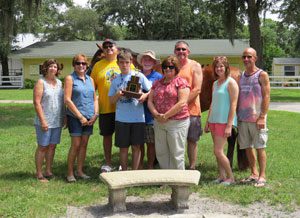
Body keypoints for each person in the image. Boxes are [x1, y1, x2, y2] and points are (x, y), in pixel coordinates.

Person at [91, 39, 135, 172]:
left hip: (124, 108)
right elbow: (92, 88)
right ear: (103, 50)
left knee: (125, 137)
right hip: (106, 107)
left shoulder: (126, 62)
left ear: (116, 48)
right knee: (107, 136)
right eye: (106, 46)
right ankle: (108, 163)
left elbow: (134, 81)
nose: (109, 48)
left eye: (111, 45)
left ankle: (124, 163)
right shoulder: (98, 66)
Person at [108, 50, 151, 171]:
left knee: (136, 147)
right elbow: (111, 100)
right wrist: (117, 95)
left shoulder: (139, 76)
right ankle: (125, 173)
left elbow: (151, 89)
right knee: (123, 148)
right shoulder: (115, 80)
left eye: (127, 62)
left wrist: (144, 96)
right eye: (121, 62)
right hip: (122, 119)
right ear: (117, 63)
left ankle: (135, 173)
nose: (124, 65)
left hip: (138, 118)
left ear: (131, 62)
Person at [148, 55, 190, 170]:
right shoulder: (157, 83)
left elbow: (182, 102)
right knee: (161, 153)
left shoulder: (181, 82)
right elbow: (150, 101)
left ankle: (179, 182)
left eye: (171, 67)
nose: (167, 69)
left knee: (176, 153)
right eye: (165, 67)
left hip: (177, 122)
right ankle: (166, 180)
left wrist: (166, 116)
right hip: (159, 122)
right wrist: (156, 115)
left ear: (176, 68)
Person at [238, 47, 270, 187]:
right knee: (247, 147)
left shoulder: (261, 75)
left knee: (260, 147)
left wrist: (262, 116)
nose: (246, 59)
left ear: (255, 58)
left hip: (257, 118)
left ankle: (262, 176)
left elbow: (267, 96)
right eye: (244, 57)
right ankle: (253, 173)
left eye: (249, 56)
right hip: (243, 118)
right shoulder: (241, 76)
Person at [204, 56, 239, 185]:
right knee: (218, 151)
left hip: (224, 122)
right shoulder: (215, 83)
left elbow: (234, 105)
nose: (219, 69)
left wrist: (230, 125)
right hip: (213, 120)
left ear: (226, 68)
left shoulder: (231, 83)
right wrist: (207, 121)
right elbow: (212, 104)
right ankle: (221, 176)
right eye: (217, 67)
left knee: (218, 151)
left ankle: (231, 178)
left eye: (221, 66)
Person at [64, 54, 98, 182]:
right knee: (76, 145)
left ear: (87, 65)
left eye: (83, 63)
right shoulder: (70, 79)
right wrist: (80, 117)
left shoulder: (90, 79)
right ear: (74, 65)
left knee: (84, 144)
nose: (81, 65)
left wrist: (96, 114)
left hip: (90, 117)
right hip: (75, 117)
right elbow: (67, 99)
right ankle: (70, 173)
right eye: (78, 63)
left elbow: (95, 98)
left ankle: (79, 171)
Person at [33, 59, 64, 182]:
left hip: (57, 120)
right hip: (44, 121)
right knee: (43, 147)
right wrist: (43, 121)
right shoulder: (41, 82)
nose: (53, 69)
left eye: (55, 67)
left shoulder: (60, 83)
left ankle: (48, 170)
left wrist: (64, 116)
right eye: (50, 66)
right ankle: (39, 173)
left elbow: (62, 102)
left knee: (52, 147)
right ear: (45, 68)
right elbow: (37, 103)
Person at [174, 40, 203, 170]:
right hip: (174, 111)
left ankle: (191, 167)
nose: (181, 52)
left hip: (192, 110)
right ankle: (177, 167)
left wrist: (182, 104)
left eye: (183, 49)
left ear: (188, 52)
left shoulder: (195, 65)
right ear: (175, 51)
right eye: (178, 49)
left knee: (191, 140)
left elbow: (197, 89)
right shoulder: (172, 66)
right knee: (176, 142)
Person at [136, 50, 163, 169]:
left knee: (151, 143)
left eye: (150, 60)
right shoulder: (135, 75)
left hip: (151, 115)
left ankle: (150, 166)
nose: (147, 62)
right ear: (141, 62)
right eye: (145, 59)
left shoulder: (159, 77)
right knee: (139, 143)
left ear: (154, 62)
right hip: (136, 114)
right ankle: (140, 165)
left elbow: (160, 94)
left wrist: (146, 95)